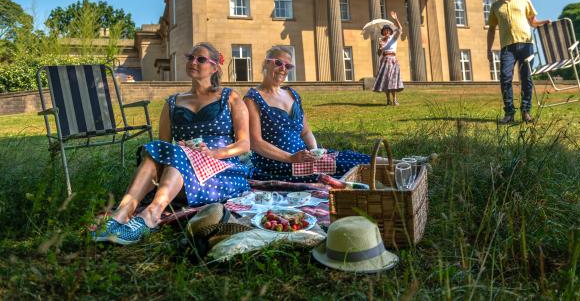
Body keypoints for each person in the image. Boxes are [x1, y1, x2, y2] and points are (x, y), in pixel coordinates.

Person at [93, 42, 251, 245]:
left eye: (200, 59)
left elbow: (245, 144)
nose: (193, 62)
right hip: (183, 171)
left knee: (178, 153)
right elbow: (162, 148)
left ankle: (151, 214)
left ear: (214, 67)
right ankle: (122, 212)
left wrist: (213, 153)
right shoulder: (173, 102)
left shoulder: (230, 97)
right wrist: (186, 152)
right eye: (190, 57)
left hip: (220, 171)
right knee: (156, 151)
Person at [244, 46, 373, 182]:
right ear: (266, 63)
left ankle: (394, 164)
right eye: (278, 63)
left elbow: (305, 132)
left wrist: (315, 153)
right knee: (349, 167)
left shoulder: (292, 94)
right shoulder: (253, 99)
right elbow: (256, 143)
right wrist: (290, 158)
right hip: (278, 164)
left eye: (288, 66)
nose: (283, 69)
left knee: (356, 158)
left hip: (304, 157)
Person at [487, 0, 551, 124]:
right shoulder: (496, 6)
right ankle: (509, 113)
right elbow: (491, 29)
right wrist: (488, 49)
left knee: (526, 78)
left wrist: (543, 22)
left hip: (526, 44)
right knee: (505, 78)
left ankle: (526, 111)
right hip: (507, 47)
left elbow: (532, 21)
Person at [372, 10, 404, 105]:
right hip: (385, 61)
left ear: (390, 32)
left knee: (392, 80)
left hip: (393, 60)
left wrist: (396, 19)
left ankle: (394, 99)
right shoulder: (381, 41)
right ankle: (388, 100)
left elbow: (400, 29)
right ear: (383, 32)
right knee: (386, 81)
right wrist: (380, 47)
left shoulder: (393, 38)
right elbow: (378, 54)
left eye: (388, 31)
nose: (386, 32)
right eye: (384, 31)